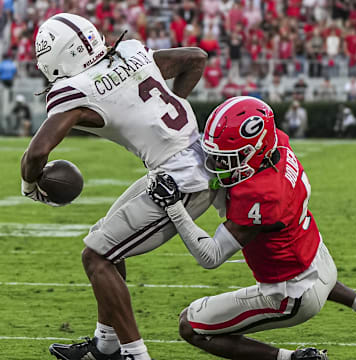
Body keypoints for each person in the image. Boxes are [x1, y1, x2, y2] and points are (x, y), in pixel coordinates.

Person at [20, 13, 216, 360]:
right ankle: (105, 345)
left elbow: (36, 153)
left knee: (96, 256)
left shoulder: (75, 90)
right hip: (195, 158)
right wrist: (176, 103)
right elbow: (195, 58)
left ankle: (134, 354)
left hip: (182, 181)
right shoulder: (130, 52)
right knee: (106, 240)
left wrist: (30, 185)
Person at [147, 96, 356, 360]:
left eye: (227, 158)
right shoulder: (276, 143)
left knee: (190, 326)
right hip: (320, 261)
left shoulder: (260, 194)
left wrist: (174, 207)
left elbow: (210, 256)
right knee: (297, 249)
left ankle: (291, 358)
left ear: (256, 150)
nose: (217, 163)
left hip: (291, 293)